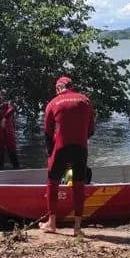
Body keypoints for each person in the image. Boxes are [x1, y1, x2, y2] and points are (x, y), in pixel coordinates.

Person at [39, 76, 95, 236]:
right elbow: (91, 130)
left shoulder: (52, 103)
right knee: (78, 185)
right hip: (81, 148)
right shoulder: (85, 101)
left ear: (58, 88)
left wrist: (52, 155)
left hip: (61, 148)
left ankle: (52, 223)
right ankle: (77, 228)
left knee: (52, 183)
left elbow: (48, 134)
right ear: (71, 86)